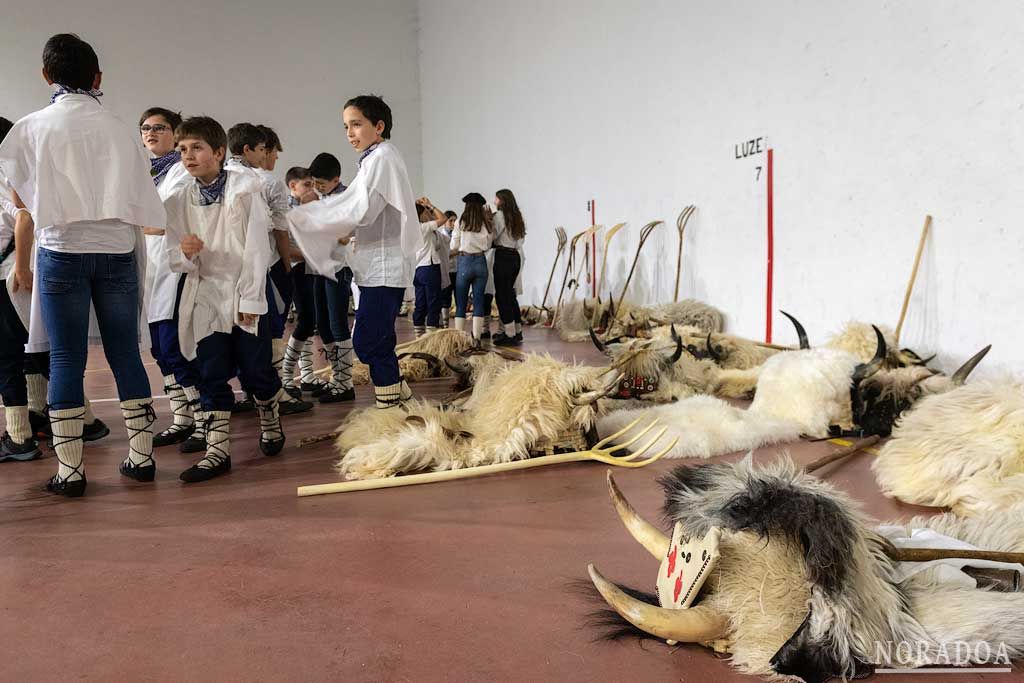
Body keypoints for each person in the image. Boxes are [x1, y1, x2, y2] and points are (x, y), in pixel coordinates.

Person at [0, 34, 165, 497]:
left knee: (66, 357)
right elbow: (146, 206)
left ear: (46, 75)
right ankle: (141, 458)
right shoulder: (118, 128)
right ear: (98, 78)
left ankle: (71, 472)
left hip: (60, 250)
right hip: (115, 250)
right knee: (125, 353)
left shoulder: (29, 128)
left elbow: (18, 199)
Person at [164, 116, 286, 483]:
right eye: (183, 149)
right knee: (211, 371)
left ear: (218, 152)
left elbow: (256, 250)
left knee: (255, 371)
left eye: (197, 147)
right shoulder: (178, 197)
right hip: (206, 294)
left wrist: (250, 298)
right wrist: (184, 252)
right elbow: (172, 254)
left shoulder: (245, 189)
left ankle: (269, 413)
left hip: (244, 291)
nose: (188, 155)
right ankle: (217, 451)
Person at [288, 94, 422, 409]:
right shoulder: (373, 158)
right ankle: (401, 402)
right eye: (346, 126)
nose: (350, 133)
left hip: (384, 265)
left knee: (369, 340)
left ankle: (390, 410)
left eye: (357, 124)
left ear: (379, 126)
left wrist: (314, 217)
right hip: (375, 264)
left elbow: (362, 211)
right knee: (376, 340)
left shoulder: (382, 157)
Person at [139, 106, 206, 448]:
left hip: (176, 269)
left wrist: (135, 223)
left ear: (175, 133)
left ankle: (204, 421)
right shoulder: (146, 173)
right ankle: (182, 418)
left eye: (159, 127)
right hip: (150, 271)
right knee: (159, 350)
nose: (151, 133)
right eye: (145, 128)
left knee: (176, 346)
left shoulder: (182, 171)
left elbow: (161, 220)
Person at [253, 125, 312, 414]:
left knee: (251, 333)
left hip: (245, 267)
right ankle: (276, 392)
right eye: (273, 151)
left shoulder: (230, 176)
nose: (275, 158)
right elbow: (279, 231)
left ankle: (257, 390)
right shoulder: (268, 181)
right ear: (262, 149)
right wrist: (289, 266)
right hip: (270, 265)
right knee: (273, 329)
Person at [306, 152, 354, 402]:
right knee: (322, 324)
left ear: (336, 179)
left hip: (338, 267)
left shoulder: (345, 198)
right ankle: (337, 377)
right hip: (318, 267)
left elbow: (346, 233)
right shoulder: (321, 197)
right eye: (314, 182)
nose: (317, 187)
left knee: (337, 324)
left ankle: (346, 383)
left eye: (321, 183)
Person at [450, 192, 492, 341]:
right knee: (478, 301)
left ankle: (459, 339)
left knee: (461, 303)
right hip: (480, 261)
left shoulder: (461, 221)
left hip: (464, 261)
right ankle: (477, 338)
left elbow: (454, 244)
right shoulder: (485, 222)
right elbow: (488, 244)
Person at [490, 188, 526, 346]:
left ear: (502, 201)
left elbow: (494, 236)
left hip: (503, 256)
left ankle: (509, 334)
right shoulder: (518, 215)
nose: (494, 201)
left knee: (502, 296)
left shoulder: (498, 216)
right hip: (515, 256)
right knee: (510, 295)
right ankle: (518, 331)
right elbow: (520, 241)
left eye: (496, 199)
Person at [411, 197, 449, 337]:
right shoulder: (424, 227)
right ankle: (430, 338)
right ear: (421, 215)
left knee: (420, 304)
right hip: (430, 267)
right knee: (434, 303)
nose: (429, 213)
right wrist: (430, 205)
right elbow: (443, 218)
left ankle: (418, 337)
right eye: (426, 212)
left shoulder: (413, 229)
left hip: (419, 269)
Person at [437, 210, 457, 328]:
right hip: (445, 270)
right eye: (451, 221)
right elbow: (444, 253)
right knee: (445, 298)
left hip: (457, 270)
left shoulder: (458, 234)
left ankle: (448, 323)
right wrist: (457, 252)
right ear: (444, 222)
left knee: (456, 298)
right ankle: (444, 324)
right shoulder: (440, 235)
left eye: (455, 221)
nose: (453, 223)